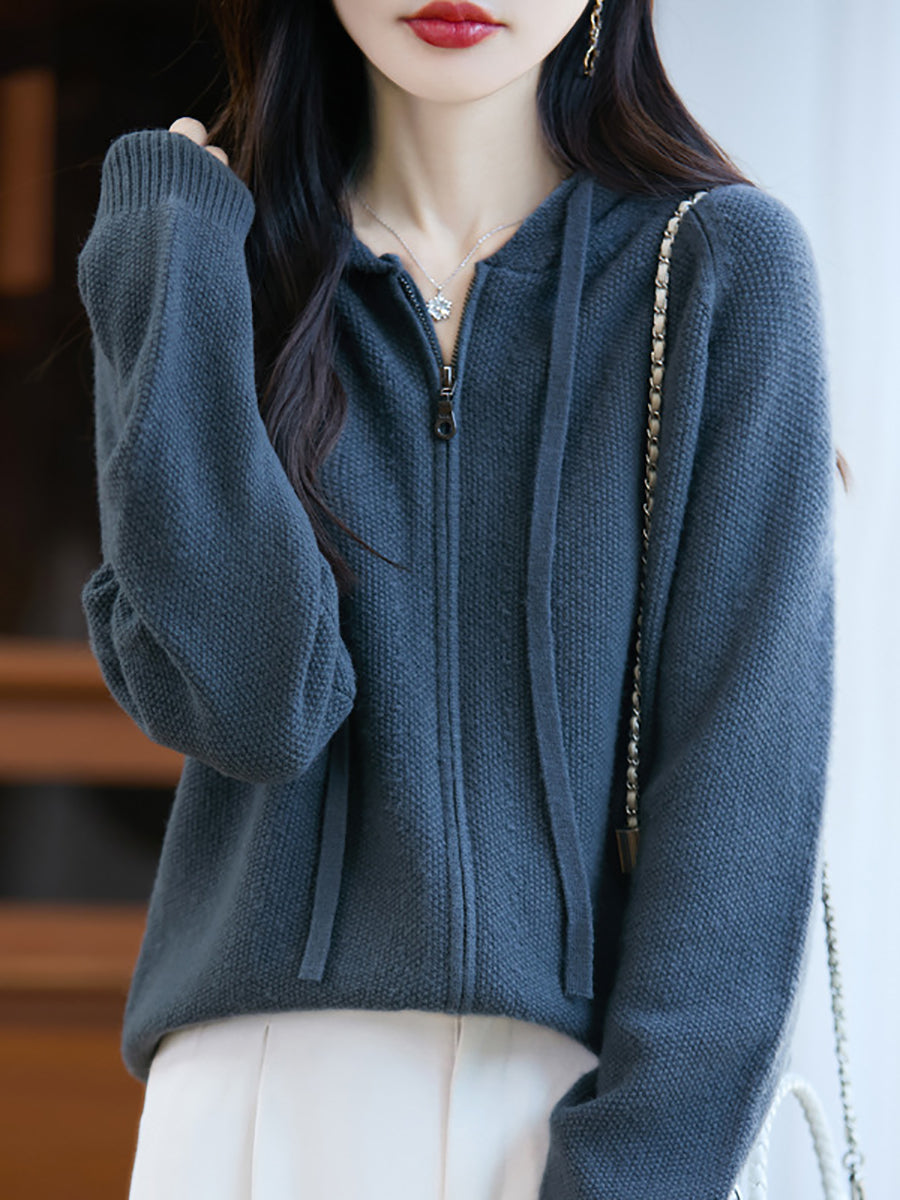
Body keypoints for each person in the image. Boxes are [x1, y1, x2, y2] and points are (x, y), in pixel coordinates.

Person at [75, 0, 836, 1196]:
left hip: (562, 1113)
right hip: (246, 1107)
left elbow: (744, 810)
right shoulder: (211, 261)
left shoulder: (716, 274)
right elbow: (252, 708)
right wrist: (165, 260)